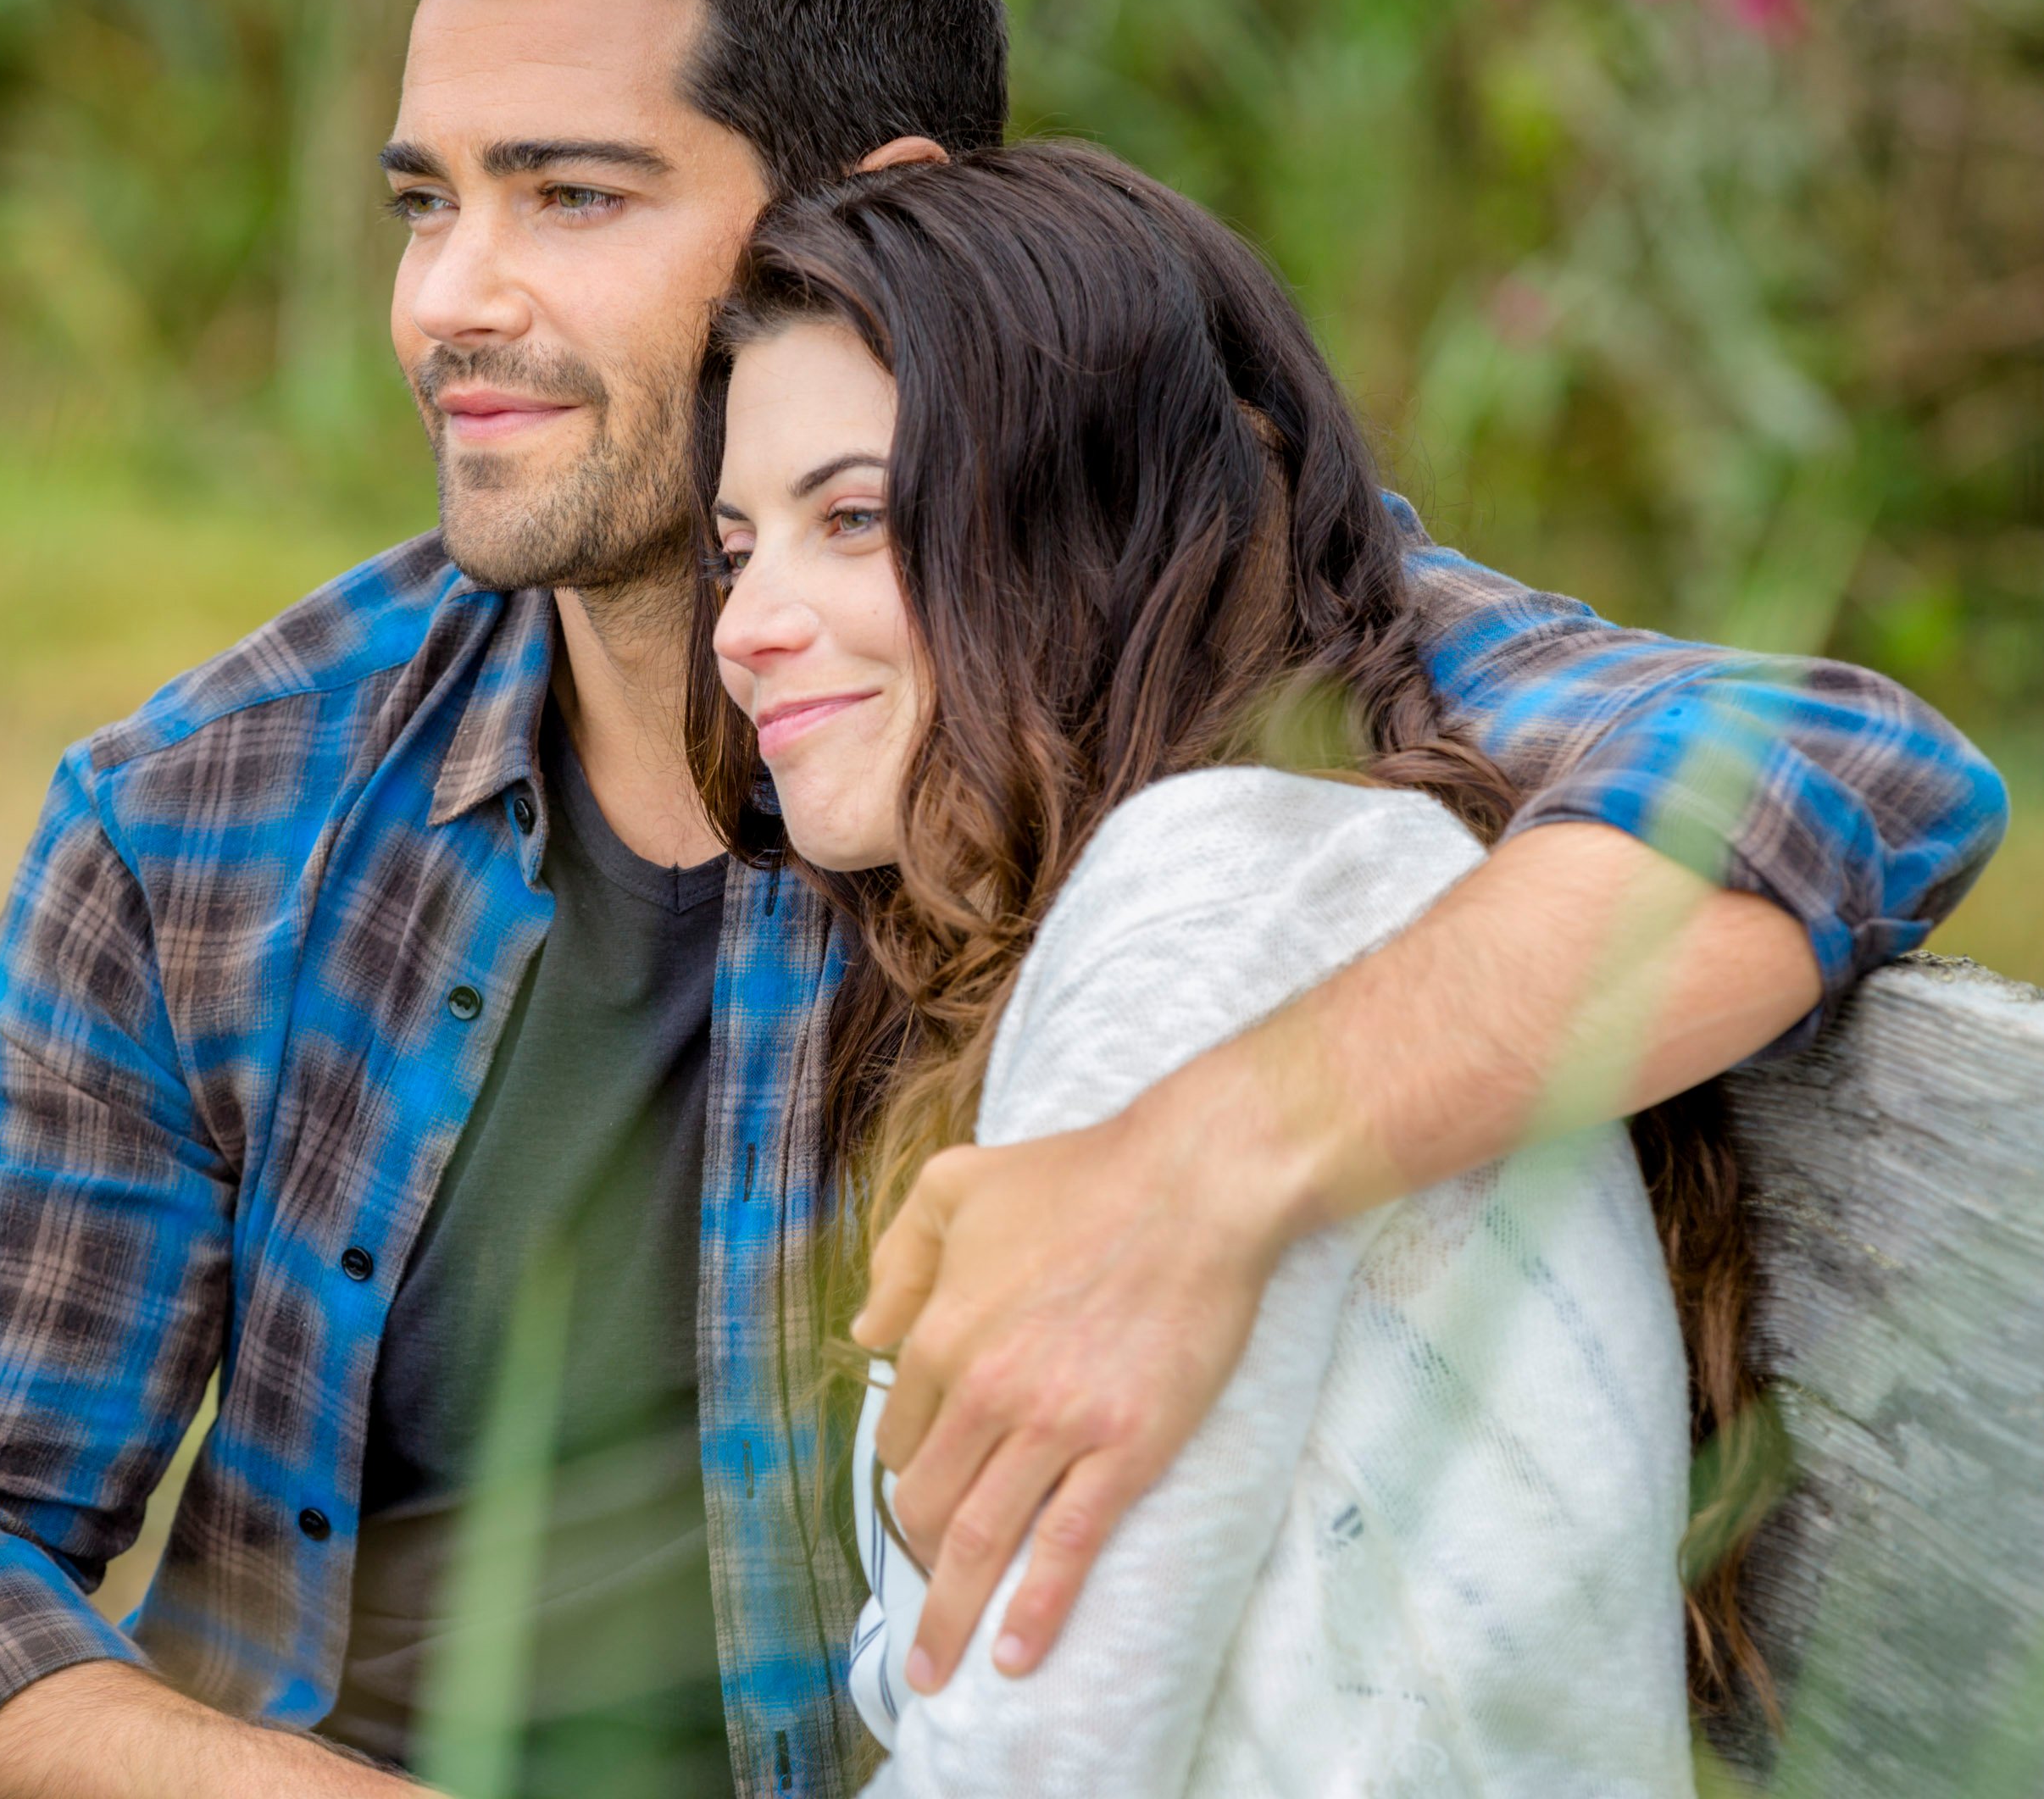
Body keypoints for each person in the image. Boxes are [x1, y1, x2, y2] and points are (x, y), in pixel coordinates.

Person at [0, 0, 2002, 1797]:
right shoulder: (218, 808)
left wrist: (1195, 1177)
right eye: (427, 199)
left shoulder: (1133, 653)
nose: (453, 301)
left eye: (574, 195)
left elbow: (1827, 769)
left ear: (857, 233)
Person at [697, 142, 1705, 1794]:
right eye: (740, 545)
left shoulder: (1215, 904)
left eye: (855, 519)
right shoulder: (1187, 906)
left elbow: (1035, 1743)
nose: (742, 625)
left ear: (1094, 525)